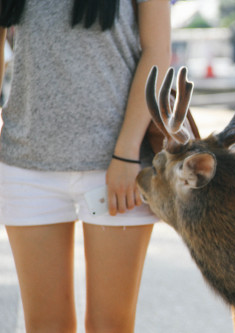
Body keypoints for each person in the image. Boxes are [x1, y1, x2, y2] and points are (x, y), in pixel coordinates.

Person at [0, 0, 172, 331]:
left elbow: (158, 52)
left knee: (111, 326)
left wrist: (126, 152)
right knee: (45, 326)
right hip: (25, 166)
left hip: (116, 170)